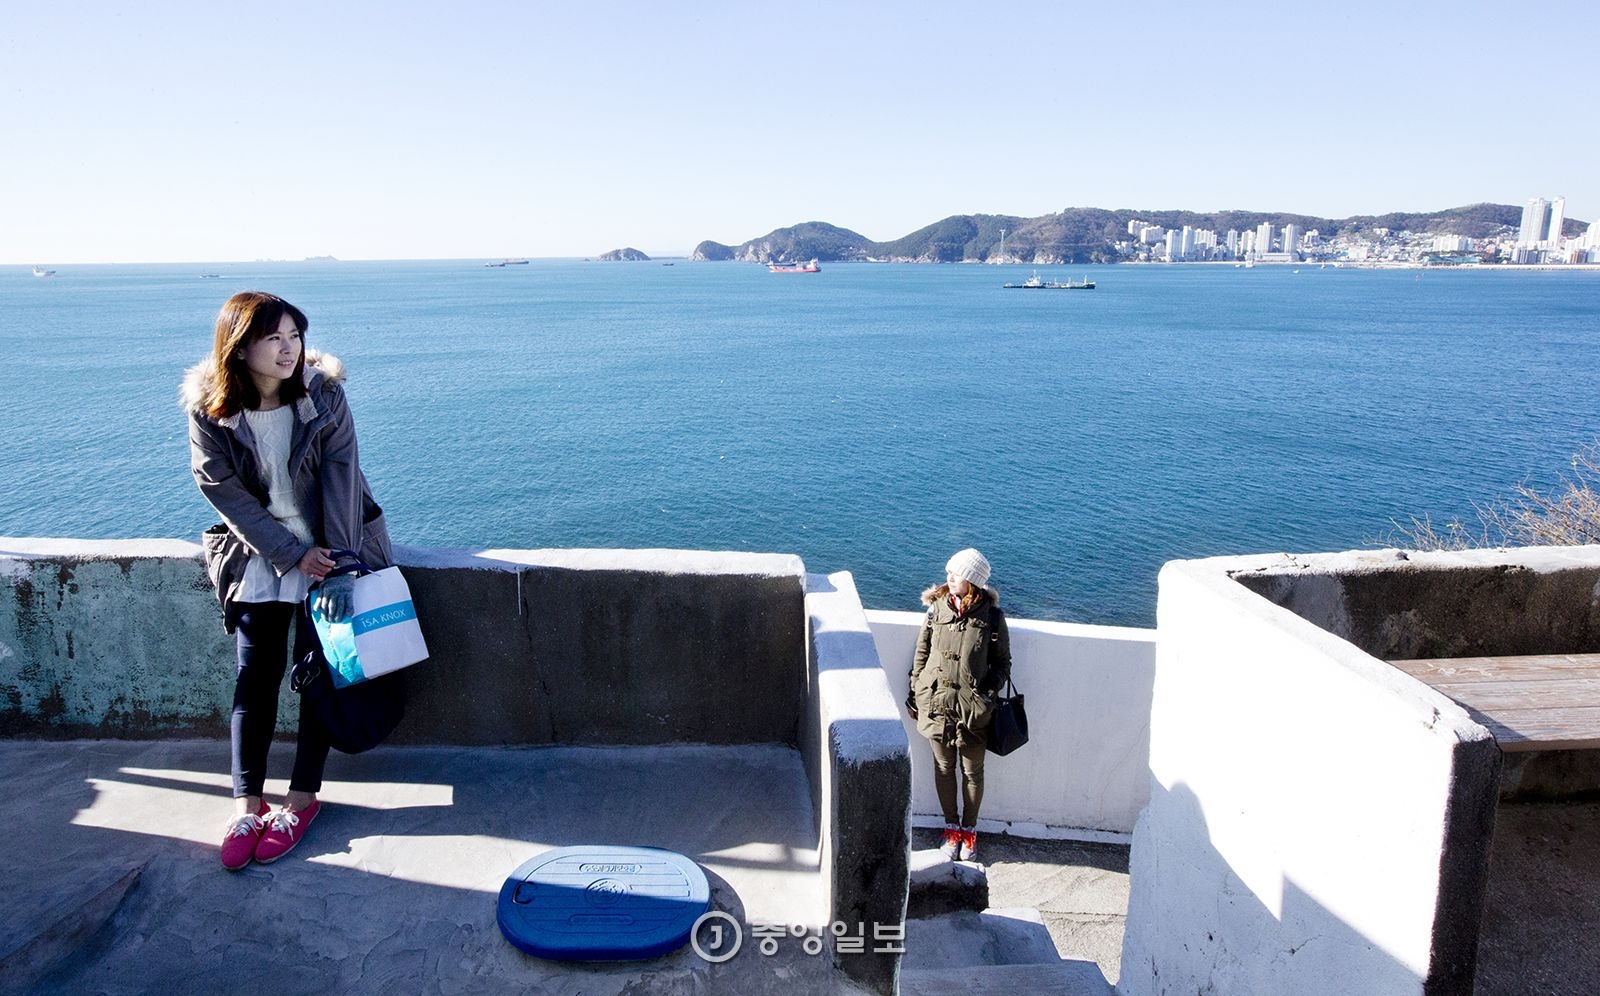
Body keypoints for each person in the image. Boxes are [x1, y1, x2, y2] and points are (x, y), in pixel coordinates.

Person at [182, 291, 393, 871]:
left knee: (318, 674)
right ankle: (247, 803)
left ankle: (300, 801)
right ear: (240, 346)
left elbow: (342, 476)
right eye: (274, 338)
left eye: (295, 336)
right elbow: (221, 491)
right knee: (256, 677)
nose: (289, 349)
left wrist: (335, 560)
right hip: (261, 555)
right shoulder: (211, 410)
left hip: (329, 547)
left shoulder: (323, 396)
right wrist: (288, 553)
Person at [906, 548, 1012, 862]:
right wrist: (916, 689)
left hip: (972, 710)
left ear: (974, 581)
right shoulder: (936, 609)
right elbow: (921, 653)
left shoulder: (991, 617)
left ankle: (970, 829)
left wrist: (986, 696)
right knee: (943, 767)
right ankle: (951, 827)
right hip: (936, 702)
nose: (950, 578)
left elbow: (1002, 664)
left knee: (972, 772)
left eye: (957, 574)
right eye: (950, 572)